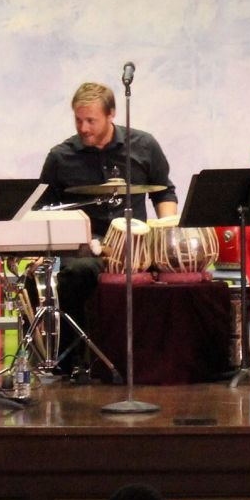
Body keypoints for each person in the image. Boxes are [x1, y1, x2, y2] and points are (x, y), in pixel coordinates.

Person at [37, 82, 179, 376]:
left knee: (180, 273)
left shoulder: (144, 145)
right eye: (78, 120)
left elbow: (164, 192)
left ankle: (163, 359)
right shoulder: (60, 157)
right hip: (87, 246)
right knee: (75, 273)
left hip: (138, 244)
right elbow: (43, 209)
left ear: (111, 114)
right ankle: (73, 362)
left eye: (91, 120)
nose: (84, 128)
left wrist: (167, 233)